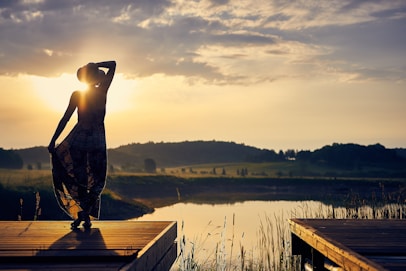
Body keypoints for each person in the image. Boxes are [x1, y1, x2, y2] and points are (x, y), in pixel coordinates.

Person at [48, 61, 116, 230]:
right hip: (95, 140)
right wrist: (94, 64)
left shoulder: (79, 94)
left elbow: (65, 118)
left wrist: (53, 139)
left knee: (82, 180)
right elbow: (113, 64)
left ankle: (83, 215)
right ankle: (84, 215)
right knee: (96, 179)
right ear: (94, 76)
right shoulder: (101, 91)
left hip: (79, 138)